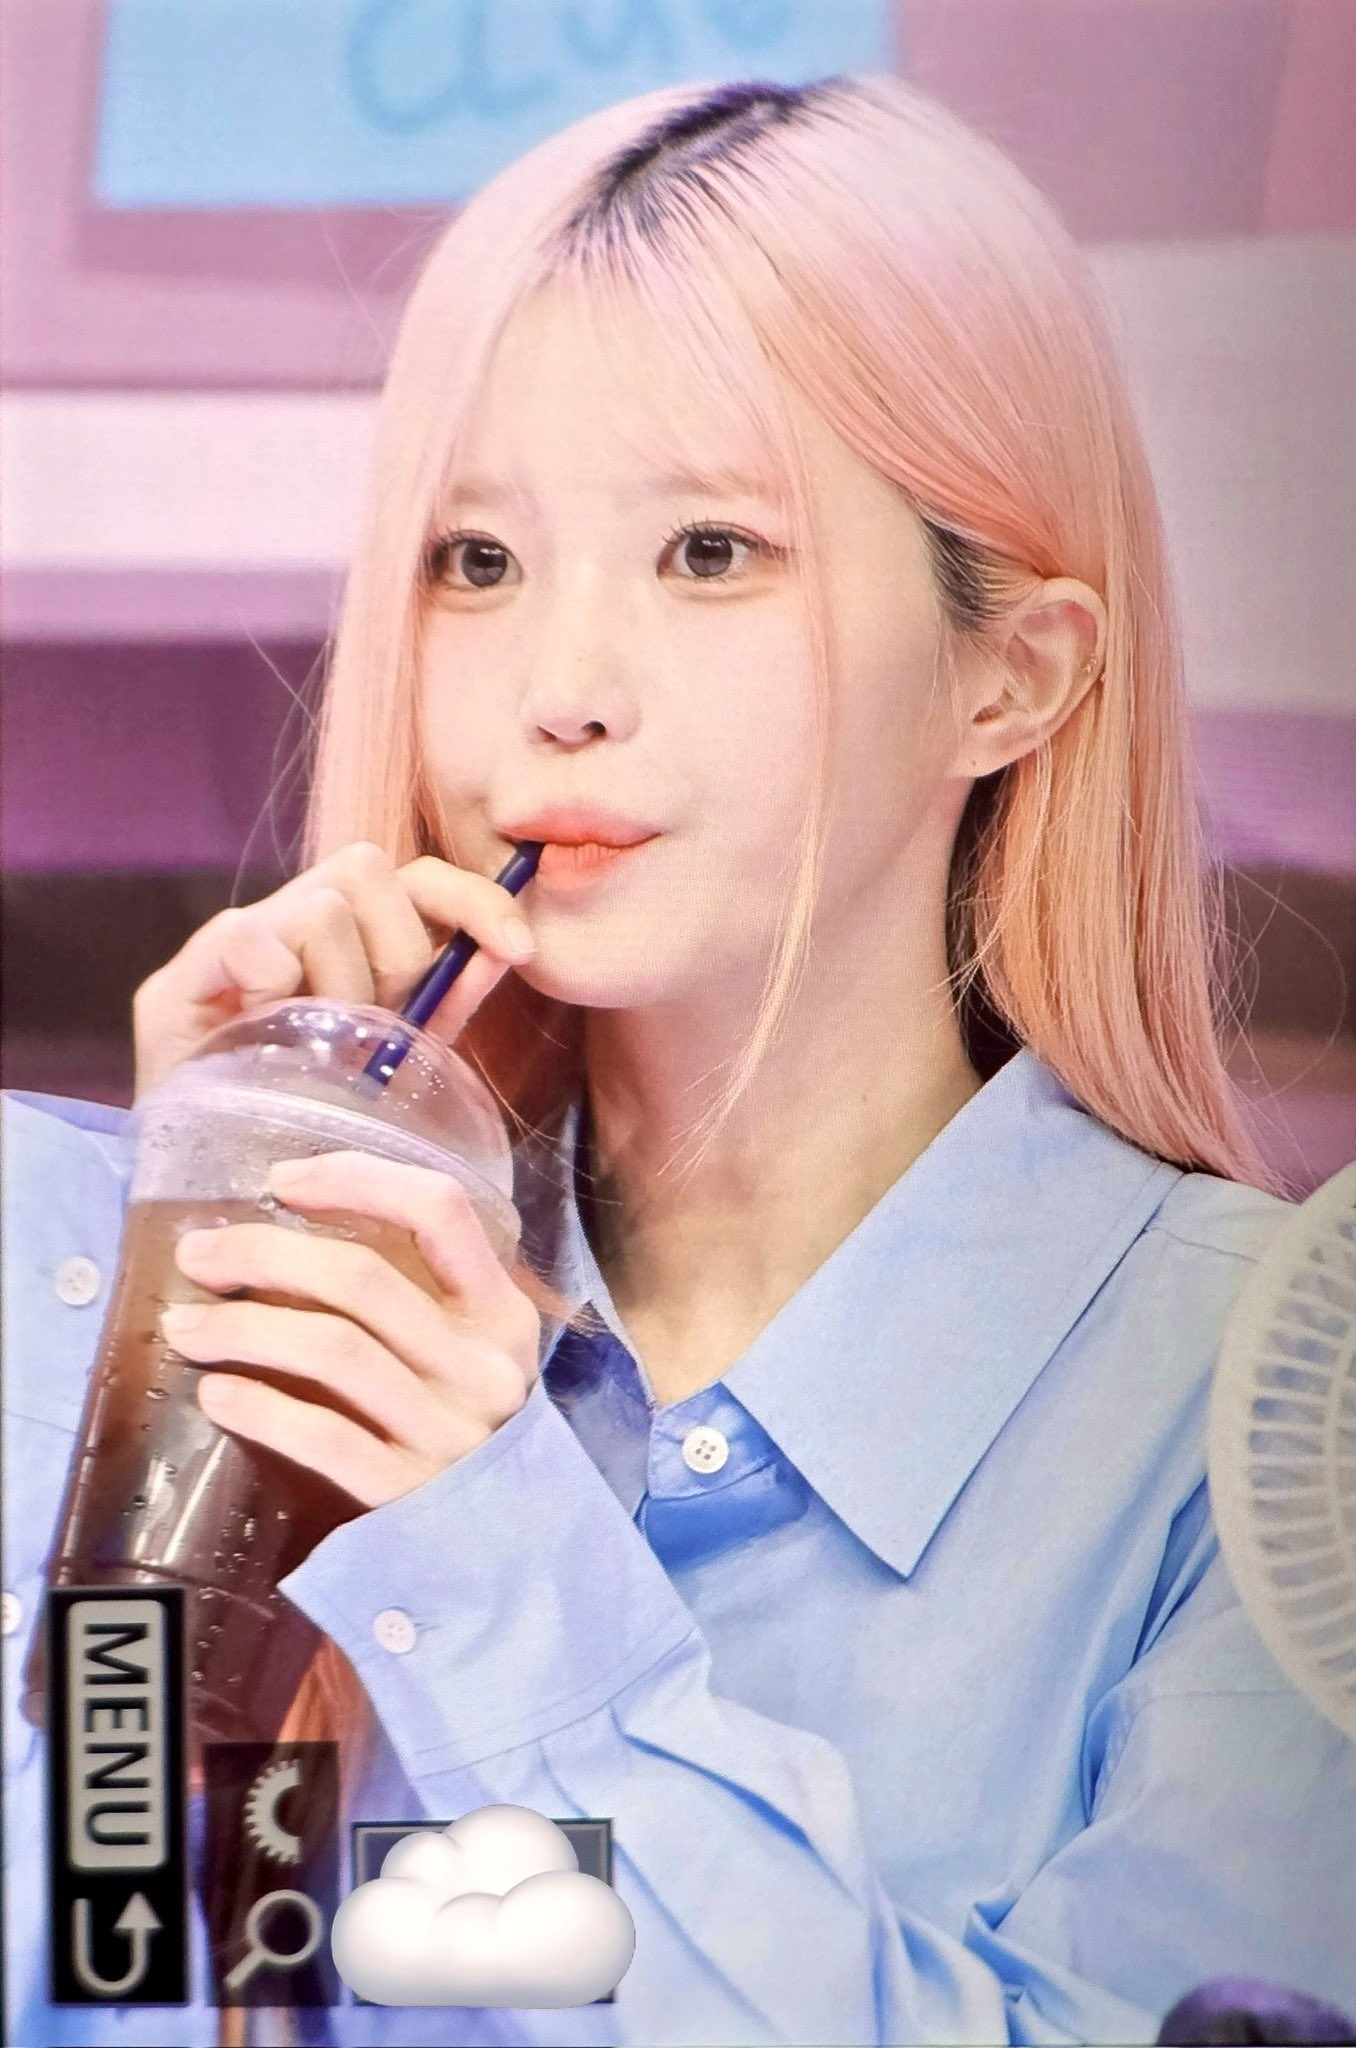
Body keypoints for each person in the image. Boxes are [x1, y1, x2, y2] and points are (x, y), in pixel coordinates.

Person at [4, 71, 1354, 2048]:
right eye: (476, 562)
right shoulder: (174, 1273)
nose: (556, 693)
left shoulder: (1266, 1422)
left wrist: (495, 1555)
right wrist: (170, 1397)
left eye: (711, 551)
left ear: (1013, 673)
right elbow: (108, 1959)